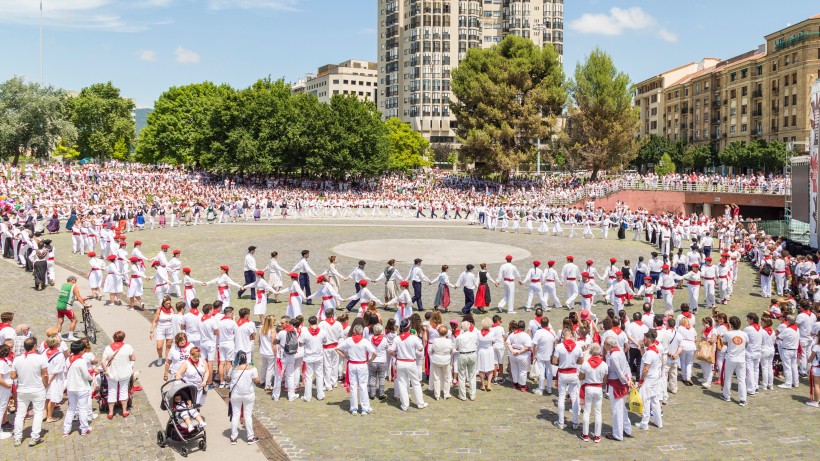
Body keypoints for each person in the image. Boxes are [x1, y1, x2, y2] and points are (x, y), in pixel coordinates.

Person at [11, 336, 47, 447]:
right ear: (35, 346)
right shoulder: (41, 358)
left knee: (20, 414)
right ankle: (35, 437)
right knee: (38, 413)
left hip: (22, 390)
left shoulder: (17, 359)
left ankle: (17, 437)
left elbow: (12, 375)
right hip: (37, 389)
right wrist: (45, 385)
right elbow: (45, 374)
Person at [337, 324, 377, 415]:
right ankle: (365, 408)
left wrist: (345, 356)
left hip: (352, 364)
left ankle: (353, 408)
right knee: (363, 386)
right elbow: (375, 353)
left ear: (354, 331)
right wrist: (370, 361)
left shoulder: (349, 340)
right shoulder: (365, 341)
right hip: (362, 364)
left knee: (353, 386)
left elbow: (337, 348)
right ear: (362, 332)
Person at [389, 319, 428, 411]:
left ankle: (405, 405)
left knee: (402, 384)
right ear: (409, 327)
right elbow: (420, 348)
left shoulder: (397, 338)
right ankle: (420, 403)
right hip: (410, 362)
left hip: (400, 362)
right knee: (415, 383)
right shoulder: (413, 338)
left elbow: (391, 351)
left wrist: (396, 354)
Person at [604, 336, 634, 441]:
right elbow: (626, 366)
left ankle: (617, 434)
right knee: (622, 409)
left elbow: (619, 371)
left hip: (616, 384)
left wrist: (626, 381)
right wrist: (629, 378)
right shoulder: (620, 350)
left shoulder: (613, 356)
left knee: (617, 409)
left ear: (609, 345)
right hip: (622, 381)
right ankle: (627, 428)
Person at [100, 331, 135, 419]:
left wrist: (106, 371)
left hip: (112, 373)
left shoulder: (108, 348)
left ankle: (111, 412)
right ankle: (124, 411)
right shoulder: (128, 347)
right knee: (123, 391)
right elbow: (133, 358)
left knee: (111, 391)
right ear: (123, 338)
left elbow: (102, 361)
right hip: (124, 373)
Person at [553, 328, 583, 430]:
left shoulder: (559, 347)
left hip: (562, 373)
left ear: (562, 336)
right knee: (574, 397)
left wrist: (562, 361)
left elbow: (554, 361)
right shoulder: (577, 347)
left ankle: (561, 422)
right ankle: (575, 422)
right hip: (573, 373)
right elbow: (581, 360)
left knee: (561, 397)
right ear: (571, 335)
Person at [228, 351, 260, 445]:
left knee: (235, 415)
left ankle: (233, 437)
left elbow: (227, 378)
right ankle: (250, 437)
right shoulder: (252, 369)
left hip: (236, 394)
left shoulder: (233, 368)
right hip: (248, 395)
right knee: (248, 415)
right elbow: (257, 380)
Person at [63, 340, 93, 437]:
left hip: (71, 387)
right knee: (82, 408)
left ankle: (66, 430)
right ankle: (84, 429)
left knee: (71, 408)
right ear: (81, 351)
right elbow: (86, 375)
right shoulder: (81, 361)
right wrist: (90, 378)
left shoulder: (68, 360)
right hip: (81, 387)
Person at [578, 343, 607, 443]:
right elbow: (605, 379)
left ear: (590, 352)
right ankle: (597, 435)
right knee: (598, 412)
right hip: (598, 387)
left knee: (587, 411)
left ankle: (585, 434)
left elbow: (580, 377)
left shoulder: (585, 364)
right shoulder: (604, 364)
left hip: (589, 387)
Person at [635, 329, 663, 431]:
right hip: (655, 377)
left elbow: (646, 368)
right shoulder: (655, 349)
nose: (643, 340)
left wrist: (641, 380)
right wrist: (642, 348)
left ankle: (644, 422)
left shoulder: (650, 353)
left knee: (646, 400)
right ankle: (658, 421)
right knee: (654, 400)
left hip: (649, 379)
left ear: (648, 340)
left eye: (645, 339)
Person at [721, 315, 749, 405]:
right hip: (741, 358)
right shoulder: (744, 334)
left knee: (728, 378)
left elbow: (724, 343)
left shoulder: (728, 334)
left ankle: (727, 395)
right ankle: (742, 399)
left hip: (731, 358)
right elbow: (746, 344)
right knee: (741, 379)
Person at [302, 315, 327, 402]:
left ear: (309, 323)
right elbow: (325, 341)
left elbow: (301, 343)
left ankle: (307, 396)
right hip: (318, 356)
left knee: (309, 376)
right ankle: (320, 395)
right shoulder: (322, 331)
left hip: (309, 356)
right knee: (319, 375)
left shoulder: (305, 333)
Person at [531, 317, 557, 395]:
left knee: (541, 371)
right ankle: (549, 388)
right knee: (549, 371)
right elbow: (554, 342)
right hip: (549, 354)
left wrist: (534, 355)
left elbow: (535, 345)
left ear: (541, 324)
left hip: (540, 354)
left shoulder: (539, 332)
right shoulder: (552, 331)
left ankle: (541, 387)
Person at [56, 275, 87, 341]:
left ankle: (58, 336)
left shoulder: (64, 285)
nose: (76, 282)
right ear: (72, 280)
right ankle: (70, 336)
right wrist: (84, 304)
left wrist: (79, 299)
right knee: (74, 320)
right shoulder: (74, 286)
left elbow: (67, 296)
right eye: (75, 280)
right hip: (66, 306)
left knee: (60, 321)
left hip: (59, 305)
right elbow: (78, 296)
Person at [454, 320, 478, 401]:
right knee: (472, 375)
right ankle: (472, 395)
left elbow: (456, 347)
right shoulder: (474, 335)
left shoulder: (459, 337)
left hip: (463, 355)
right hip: (472, 354)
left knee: (461, 376)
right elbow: (476, 343)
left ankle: (462, 395)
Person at [507, 320, 533, 392]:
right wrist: (519, 352)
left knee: (514, 369)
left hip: (513, 354)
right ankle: (523, 386)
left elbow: (508, 343)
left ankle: (515, 384)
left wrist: (512, 351)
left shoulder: (512, 334)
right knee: (523, 371)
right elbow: (528, 347)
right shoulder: (526, 335)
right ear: (524, 327)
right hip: (523, 355)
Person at [429, 324, 454, 400]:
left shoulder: (435, 340)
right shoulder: (449, 341)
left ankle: (437, 395)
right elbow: (451, 350)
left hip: (436, 360)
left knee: (436, 378)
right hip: (445, 361)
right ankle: (446, 393)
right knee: (447, 377)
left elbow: (432, 350)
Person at [150, 296, 175, 366]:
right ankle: (160, 357)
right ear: (163, 303)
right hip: (160, 329)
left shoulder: (172, 309)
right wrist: (151, 332)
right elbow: (154, 321)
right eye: (167, 304)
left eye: (169, 303)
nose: (168, 305)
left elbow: (175, 319)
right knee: (159, 346)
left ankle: (167, 359)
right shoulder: (159, 310)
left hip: (170, 329)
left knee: (168, 345)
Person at [367, 323, 390, 401]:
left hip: (372, 360)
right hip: (382, 361)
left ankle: (372, 393)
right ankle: (381, 393)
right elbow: (387, 348)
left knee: (372, 377)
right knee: (381, 377)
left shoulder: (370, 338)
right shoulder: (384, 339)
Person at [777, 315, 800, 389]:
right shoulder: (797, 329)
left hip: (787, 349)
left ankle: (788, 383)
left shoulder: (788, 329)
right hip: (794, 349)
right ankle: (796, 382)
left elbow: (779, 337)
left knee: (787, 367)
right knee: (794, 367)